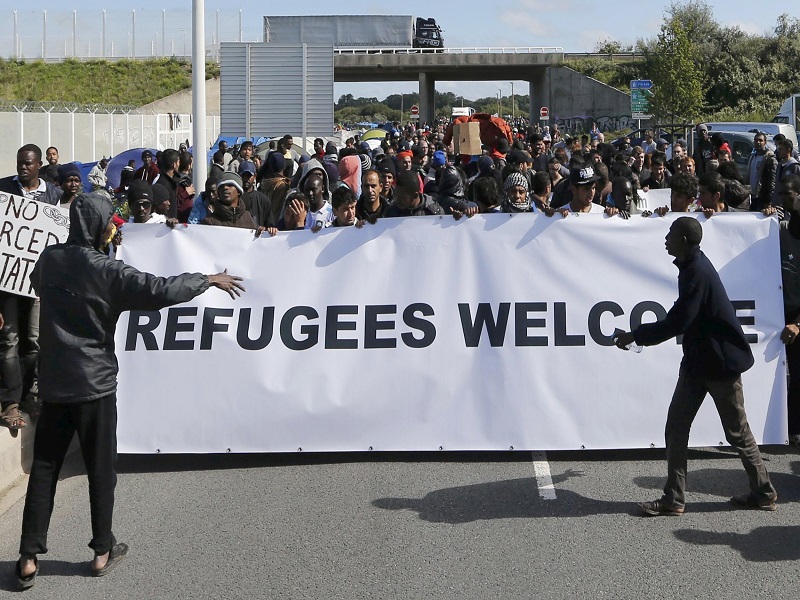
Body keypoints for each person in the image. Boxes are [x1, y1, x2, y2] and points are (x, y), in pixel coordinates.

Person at [15, 192, 245, 589]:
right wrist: (207, 279)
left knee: (45, 470)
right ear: (99, 226)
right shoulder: (108, 272)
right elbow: (159, 289)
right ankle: (102, 550)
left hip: (55, 386)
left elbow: (42, 282)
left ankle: (28, 558)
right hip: (95, 386)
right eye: (110, 222)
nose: (113, 227)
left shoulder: (49, 260)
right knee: (101, 470)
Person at [614, 217, 777, 516]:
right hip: (697, 364)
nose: (666, 238)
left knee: (737, 433)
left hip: (720, 365)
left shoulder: (696, 272)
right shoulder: (691, 267)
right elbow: (684, 318)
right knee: (676, 427)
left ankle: (763, 491)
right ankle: (674, 499)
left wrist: (635, 336)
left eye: (671, 234)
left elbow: (679, 321)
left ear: (685, 241)